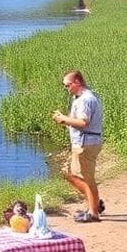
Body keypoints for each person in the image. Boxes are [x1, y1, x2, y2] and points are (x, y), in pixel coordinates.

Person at [53, 70, 104, 222]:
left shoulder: (85, 100)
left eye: (67, 85)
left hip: (85, 144)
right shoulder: (81, 98)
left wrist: (64, 119)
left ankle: (93, 212)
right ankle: (93, 204)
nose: (66, 88)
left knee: (86, 178)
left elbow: (83, 122)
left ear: (77, 82)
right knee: (72, 175)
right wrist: (65, 121)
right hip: (83, 142)